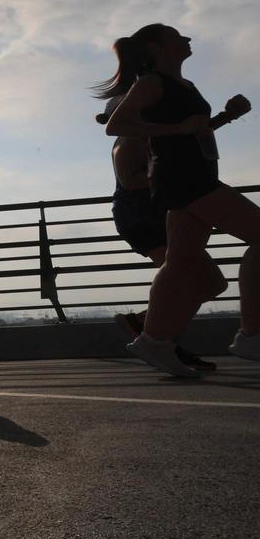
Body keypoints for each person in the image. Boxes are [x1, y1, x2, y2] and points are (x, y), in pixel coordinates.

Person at [101, 24, 256, 376]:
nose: (187, 38)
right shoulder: (151, 83)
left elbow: (190, 132)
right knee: (196, 267)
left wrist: (225, 118)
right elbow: (117, 126)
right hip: (181, 184)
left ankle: (155, 341)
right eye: (177, 36)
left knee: (185, 266)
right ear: (156, 47)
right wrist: (178, 132)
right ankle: (252, 333)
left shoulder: (185, 85)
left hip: (194, 177)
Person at [95, 97, 222, 371]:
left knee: (212, 284)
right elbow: (130, 180)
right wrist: (174, 176)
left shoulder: (152, 137)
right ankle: (162, 342)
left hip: (161, 214)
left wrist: (225, 117)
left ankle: (149, 328)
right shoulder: (129, 141)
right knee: (193, 280)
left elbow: (192, 137)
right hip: (142, 218)